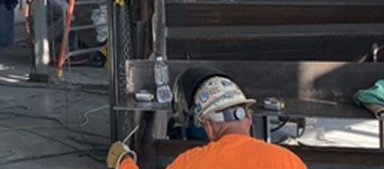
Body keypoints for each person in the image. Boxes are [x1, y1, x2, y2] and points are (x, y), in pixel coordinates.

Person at [106, 74, 306, 169]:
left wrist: (124, 161)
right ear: (248, 118)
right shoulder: (287, 161)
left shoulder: (191, 162)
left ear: (209, 126)